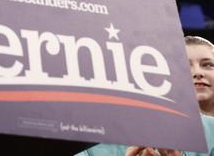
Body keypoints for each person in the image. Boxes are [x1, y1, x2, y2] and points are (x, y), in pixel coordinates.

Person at [78, 36, 214, 156]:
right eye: (184, 65)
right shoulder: (89, 140)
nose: (197, 73)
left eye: (208, 65)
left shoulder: (210, 130)